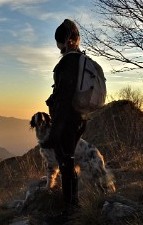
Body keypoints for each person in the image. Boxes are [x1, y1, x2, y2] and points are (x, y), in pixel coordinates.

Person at [44, 19, 86, 212]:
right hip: (78, 118)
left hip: (68, 121)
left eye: (59, 42)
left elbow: (64, 99)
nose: (58, 46)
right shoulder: (80, 60)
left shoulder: (70, 62)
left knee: (66, 163)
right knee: (68, 162)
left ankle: (70, 208)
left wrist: (53, 133)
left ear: (69, 40)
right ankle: (71, 205)